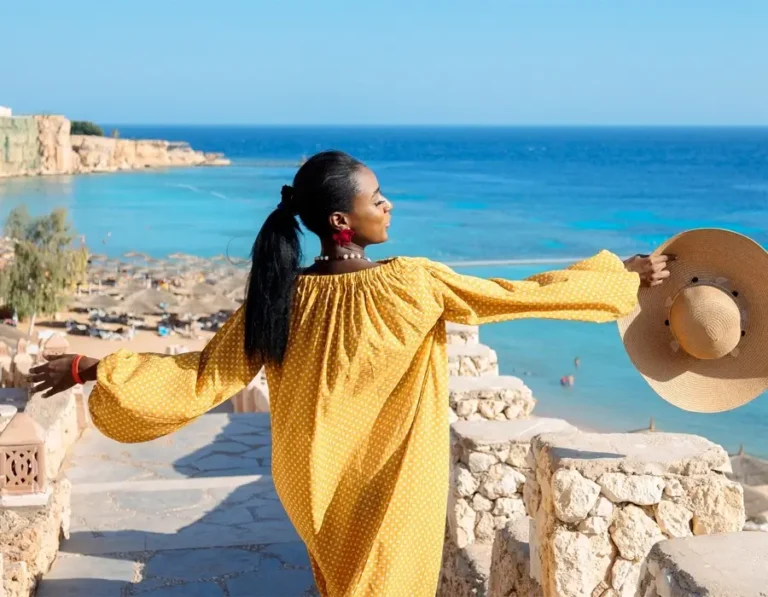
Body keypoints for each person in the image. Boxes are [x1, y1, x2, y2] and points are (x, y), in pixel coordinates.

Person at [28, 151, 670, 597]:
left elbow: (200, 376)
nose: (389, 203)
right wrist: (621, 277)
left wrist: (93, 366)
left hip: (310, 480)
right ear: (342, 222)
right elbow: (523, 295)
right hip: (395, 484)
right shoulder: (412, 283)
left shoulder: (280, 298)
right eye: (376, 196)